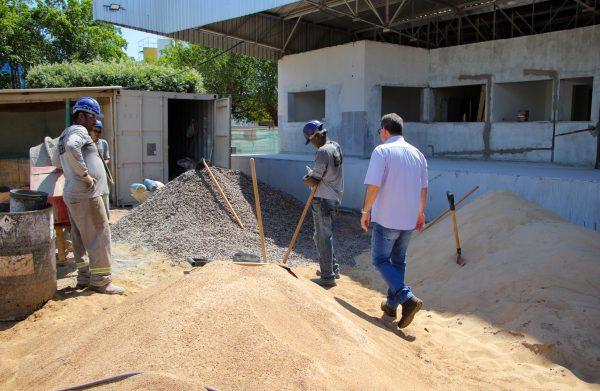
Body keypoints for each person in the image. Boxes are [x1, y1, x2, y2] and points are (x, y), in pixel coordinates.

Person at [360, 113, 428, 328]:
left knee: (380, 260)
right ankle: (391, 305)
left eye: (380, 130)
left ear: (385, 130)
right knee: (399, 261)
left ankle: (407, 299)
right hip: (408, 218)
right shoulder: (418, 154)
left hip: (387, 217)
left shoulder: (382, 151)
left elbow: (373, 185)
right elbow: (423, 188)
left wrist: (365, 211)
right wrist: (420, 213)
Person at [58, 97, 124, 294]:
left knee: (80, 238)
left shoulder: (63, 134)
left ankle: (84, 277)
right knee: (99, 235)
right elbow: (72, 147)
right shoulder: (77, 132)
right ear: (80, 115)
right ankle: (101, 282)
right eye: (92, 117)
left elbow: (58, 158)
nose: (95, 121)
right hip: (86, 195)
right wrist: (85, 175)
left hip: (73, 194)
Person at [302, 120, 344, 287]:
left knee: (322, 237)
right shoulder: (335, 146)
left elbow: (315, 179)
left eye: (311, 140)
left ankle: (327, 277)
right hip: (335, 196)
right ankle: (332, 268)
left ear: (316, 136)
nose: (311, 143)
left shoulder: (322, 151)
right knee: (325, 235)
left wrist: (306, 178)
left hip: (323, 198)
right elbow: (328, 172)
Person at [91, 120, 110, 218]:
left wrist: (102, 164)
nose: (97, 133)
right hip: (91, 177)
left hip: (102, 176)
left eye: (99, 131)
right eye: (95, 130)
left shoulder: (103, 143)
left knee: (105, 195)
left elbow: (107, 158)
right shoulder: (86, 144)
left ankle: (107, 220)